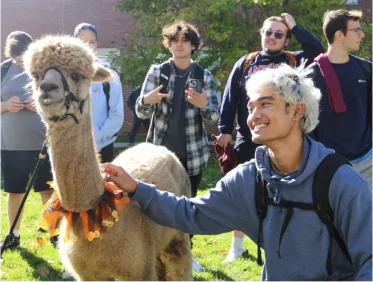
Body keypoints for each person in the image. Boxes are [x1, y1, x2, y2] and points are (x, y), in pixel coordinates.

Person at [103, 64, 373, 281]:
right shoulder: (249, 180)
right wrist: (137, 188)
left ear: (296, 111)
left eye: (265, 104)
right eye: (251, 107)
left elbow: (369, 261)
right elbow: (190, 214)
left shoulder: (340, 181)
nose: (254, 115)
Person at [216, 13, 324, 263]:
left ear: (286, 40)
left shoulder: (294, 60)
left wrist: (295, 26)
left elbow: (317, 50)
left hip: (286, 139)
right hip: (249, 137)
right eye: (268, 32)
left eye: (279, 34)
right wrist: (225, 129)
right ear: (261, 35)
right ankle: (237, 246)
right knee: (244, 190)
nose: (272, 37)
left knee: (283, 191)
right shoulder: (246, 62)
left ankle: (280, 242)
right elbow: (230, 96)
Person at [135, 20, 220, 271]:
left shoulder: (203, 76)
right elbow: (140, 112)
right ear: (169, 44)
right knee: (152, 205)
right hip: (158, 156)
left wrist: (204, 105)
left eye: (184, 40)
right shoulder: (157, 72)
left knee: (188, 205)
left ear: (193, 45)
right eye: (174, 40)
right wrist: (145, 100)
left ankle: (186, 254)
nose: (179, 45)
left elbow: (214, 117)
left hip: (191, 155)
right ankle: (151, 253)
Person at [308, 10, 373, 191]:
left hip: (368, 162)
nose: (362, 35)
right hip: (328, 164)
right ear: (339, 35)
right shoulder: (310, 76)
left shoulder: (367, 70)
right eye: (357, 30)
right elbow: (307, 125)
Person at [0, 31, 53, 250]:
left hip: (42, 144)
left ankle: (54, 234)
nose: (21, 61)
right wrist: (5, 106)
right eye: (17, 58)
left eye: (24, 56)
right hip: (10, 145)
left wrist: (39, 104)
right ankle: (13, 235)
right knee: (15, 191)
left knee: (47, 191)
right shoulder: (3, 70)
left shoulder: (44, 70)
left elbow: (57, 101)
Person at [74, 23, 124, 163]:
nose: (87, 46)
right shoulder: (63, 75)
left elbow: (117, 115)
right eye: (82, 41)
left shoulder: (108, 75)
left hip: (101, 148)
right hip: (71, 148)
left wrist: (95, 138)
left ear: (96, 45)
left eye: (92, 42)